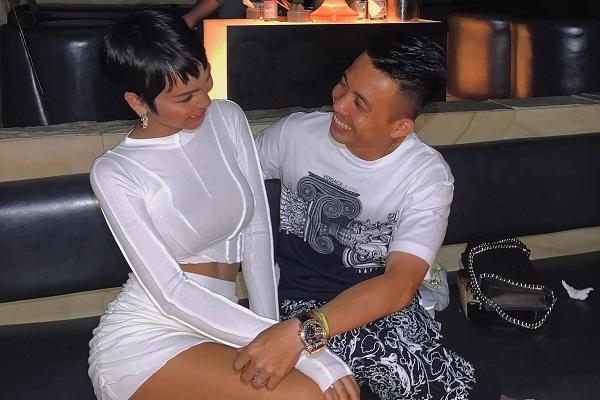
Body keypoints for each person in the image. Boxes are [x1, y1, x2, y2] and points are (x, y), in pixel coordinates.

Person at [87, 9, 359, 400]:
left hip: (228, 325)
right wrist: (306, 351)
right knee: (312, 392)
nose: (203, 101)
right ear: (137, 101)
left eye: (205, 82)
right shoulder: (115, 172)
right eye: (185, 97)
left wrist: (278, 341)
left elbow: (258, 233)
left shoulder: (227, 117)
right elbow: (170, 292)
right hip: (151, 337)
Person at [250, 34, 502, 399]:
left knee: (412, 365)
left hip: (378, 303)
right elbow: (229, 181)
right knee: (403, 366)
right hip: (294, 299)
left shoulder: (425, 175)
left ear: (400, 127)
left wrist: (305, 333)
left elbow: (399, 284)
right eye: (344, 84)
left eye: (360, 104)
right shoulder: (294, 135)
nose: (339, 104)